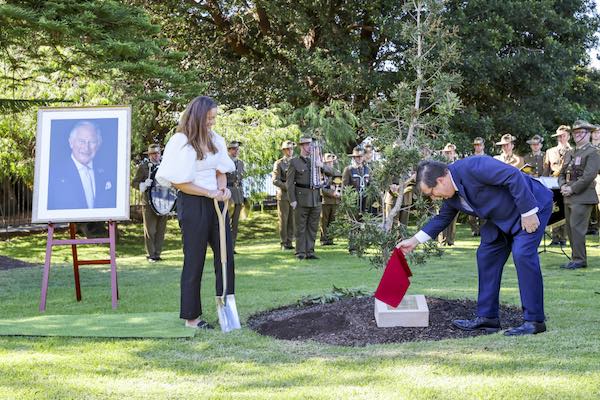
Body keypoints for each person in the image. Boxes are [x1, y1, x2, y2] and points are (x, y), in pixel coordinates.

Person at [397, 157, 553, 336]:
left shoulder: (474, 166)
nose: (433, 197)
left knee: (523, 255)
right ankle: (488, 318)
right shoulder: (451, 196)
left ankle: (534, 321)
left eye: (432, 192)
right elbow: (442, 218)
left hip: (532, 206)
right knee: (486, 255)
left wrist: (528, 212)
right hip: (501, 217)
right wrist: (414, 240)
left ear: (441, 180)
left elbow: (513, 176)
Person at [156, 95, 235, 329]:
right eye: (209, 118)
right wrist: (207, 192)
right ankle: (192, 318)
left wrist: (223, 190)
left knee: (225, 256)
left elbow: (221, 170)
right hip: (193, 202)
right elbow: (179, 182)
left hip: (216, 203)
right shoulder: (181, 141)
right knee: (195, 259)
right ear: (198, 116)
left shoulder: (214, 139)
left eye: (214, 118)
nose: (212, 122)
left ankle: (227, 311)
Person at [557, 120, 600, 270]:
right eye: (575, 133)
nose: (577, 135)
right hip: (568, 195)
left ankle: (580, 259)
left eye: (580, 132)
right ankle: (576, 258)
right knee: (570, 229)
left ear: (588, 134)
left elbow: (589, 176)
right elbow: (562, 173)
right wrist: (562, 185)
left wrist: (572, 189)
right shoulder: (571, 152)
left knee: (577, 229)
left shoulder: (593, 152)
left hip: (582, 196)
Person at [47, 121, 116, 210]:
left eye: (92, 142)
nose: (86, 147)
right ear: (71, 142)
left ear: (98, 145)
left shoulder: (108, 172)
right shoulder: (54, 174)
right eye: (81, 141)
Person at [287, 137, 332, 260]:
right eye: (307, 145)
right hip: (301, 198)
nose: (310, 147)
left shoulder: (316, 161)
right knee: (300, 227)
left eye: (311, 145)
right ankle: (300, 252)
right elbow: (289, 183)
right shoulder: (294, 162)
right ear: (301, 146)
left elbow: (332, 173)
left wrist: (321, 165)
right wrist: (292, 200)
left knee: (313, 227)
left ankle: (310, 251)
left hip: (315, 198)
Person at [132, 144, 168, 262]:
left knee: (161, 230)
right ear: (149, 155)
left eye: (157, 153)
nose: (155, 156)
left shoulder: (165, 166)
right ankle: (151, 254)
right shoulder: (143, 167)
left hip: (163, 202)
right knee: (150, 230)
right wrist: (143, 185)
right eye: (153, 154)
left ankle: (157, 254)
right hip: (148, 202)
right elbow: (134, 183)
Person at [543, 125, 572, 245]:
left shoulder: (573, 151)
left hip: (567, 183)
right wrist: (543, 184)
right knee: (554, 210)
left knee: (565, 210)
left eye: (563, 136)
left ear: (568, 136)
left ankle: (563, 238)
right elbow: (546, 170)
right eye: (558, 136)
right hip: (552, 185)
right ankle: (554, 238)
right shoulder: (550, 151)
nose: (560, 138)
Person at [272, 140, 296, 250]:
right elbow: (275, 180)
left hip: (294, 195)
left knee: (293, 220)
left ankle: (290, 242)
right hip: (284, 195)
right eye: (288, 149)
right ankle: (284, 242)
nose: (290, 151)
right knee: (284, 220)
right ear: (284, 150)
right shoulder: (279, 163)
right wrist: (287, 186)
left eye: (291, 148)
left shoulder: (296, 162)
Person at [226, 140, 245, 253]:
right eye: (233, 149)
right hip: (228, 193)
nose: (236, 151)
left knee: (235, 223)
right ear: (228, 150)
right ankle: (225, 246)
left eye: (237, 149)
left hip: (238, 194)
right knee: (226, 222)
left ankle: (232, 247)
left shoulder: (240, 163)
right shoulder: (225, 162)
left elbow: (240, 179)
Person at [439, 143, 458, 246]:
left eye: (451, 152)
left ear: (454, 153)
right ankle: (442, 240)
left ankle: (451, 240)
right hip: (443, 193)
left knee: (453, 218)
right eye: (447, 152)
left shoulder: (457, 163)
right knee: (443, 216)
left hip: (455, 195)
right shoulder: (441, 164)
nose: (449, 154)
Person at [320, 153, 341, 245]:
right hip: (325, 200)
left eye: (331, 162)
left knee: (333, 220)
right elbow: (322, 187)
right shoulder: (321, 173)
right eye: (328, 162)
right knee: (324, 221)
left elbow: (339, 184)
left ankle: (330, 239)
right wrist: (332, 193)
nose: (330, 163)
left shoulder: (336, 172)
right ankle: (324, 239)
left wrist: (338, 192)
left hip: (335, 200)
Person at [342, 147, 370, 213]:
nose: (360, 158)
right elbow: (344, 186)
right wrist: (346, 201)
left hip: (364, 199)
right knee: (353, 219)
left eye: (361, 156)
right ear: (354, 157)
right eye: (357, 157)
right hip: (353, 199)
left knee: (363, 219)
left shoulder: (367, 169)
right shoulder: (348, 169)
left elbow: (370, 183)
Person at [468, 137, 486, 236]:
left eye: (479, 144)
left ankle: (483, 231)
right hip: (472, 187)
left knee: (484, 211)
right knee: (471, 212)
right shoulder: (470, 158)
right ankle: (475, 230)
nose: (477, 147)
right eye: (476, 145)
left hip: (484, 186)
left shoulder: (487, 158)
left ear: (483, 146)